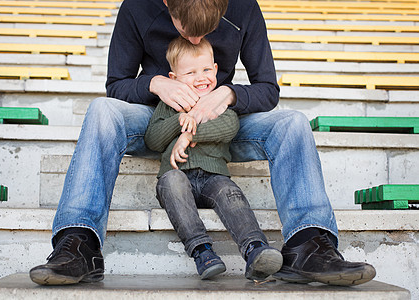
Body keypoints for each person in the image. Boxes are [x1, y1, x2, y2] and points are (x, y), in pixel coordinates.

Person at [29, 0, 376, 286]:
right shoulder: (136, 7)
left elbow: (268, 89)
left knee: (293, 123)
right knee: (102, 110)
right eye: (185, 30)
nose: (196, 41)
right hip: (157, 122)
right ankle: (79, 244)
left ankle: (308, 245)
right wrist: (155, 85)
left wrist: (229, 93)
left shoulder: (245, 8)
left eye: (206, 33)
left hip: (220, 127)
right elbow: (116, 84)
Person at [144, 36, 282, 280]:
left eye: (207, 69)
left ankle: (254, 249)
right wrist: (179, 121)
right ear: (173, 79)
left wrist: (189, 133)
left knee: (230, 193)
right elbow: (153, 139)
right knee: (171, 183)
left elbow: (229, 126)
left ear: (216, 70)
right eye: (191, 72)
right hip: (176, 177)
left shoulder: (217, 103)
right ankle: (202, 251)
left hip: (213, 178)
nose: (201, 77)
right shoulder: (168, 106)